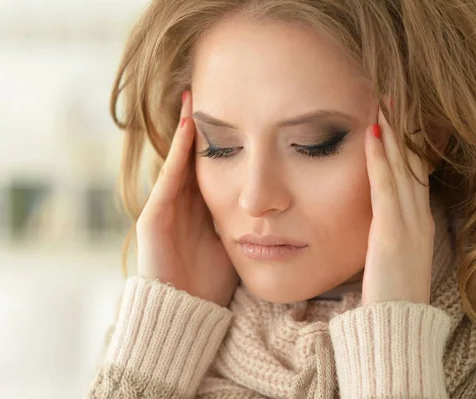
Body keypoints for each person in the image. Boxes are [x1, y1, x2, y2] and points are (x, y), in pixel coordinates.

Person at [86, 0, 476, 397]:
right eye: (220, 146)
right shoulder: (147, 340)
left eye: (313, 145)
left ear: (427, 135)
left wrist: (394, 348)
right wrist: (157, 347)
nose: (255, 199)